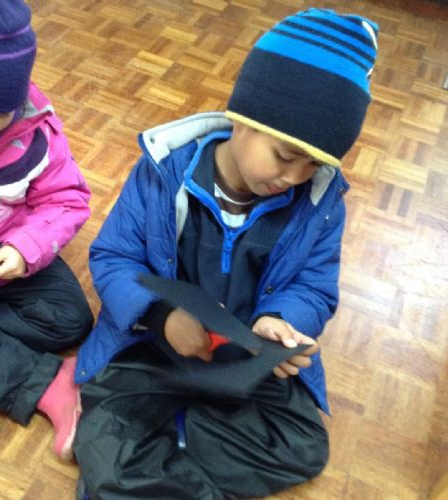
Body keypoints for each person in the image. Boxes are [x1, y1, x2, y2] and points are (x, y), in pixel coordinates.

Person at [74, 7, 379, 499]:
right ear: (242, 120)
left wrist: (281, 320)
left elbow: (314, 287)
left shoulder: (319, 205)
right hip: (151, 347)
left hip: (245, 360)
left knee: (303, 447)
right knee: (104, 430)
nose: (294, 177)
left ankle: (166, 446)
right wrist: (162, 317)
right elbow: (113, 258)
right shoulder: (163, 172)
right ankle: (174, 446)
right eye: (285, 156)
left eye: (313, 164)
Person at [0, 0, 93, 461]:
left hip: (10, 261)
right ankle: (49, 384)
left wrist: (26, 246)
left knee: (71, 319)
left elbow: (66, 199)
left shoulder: (38, 135)